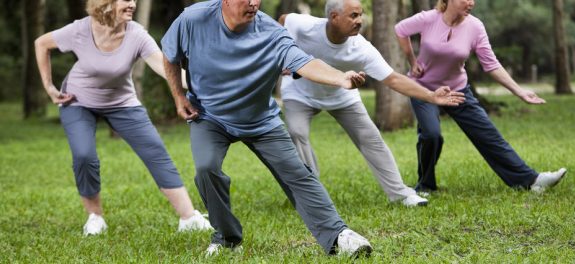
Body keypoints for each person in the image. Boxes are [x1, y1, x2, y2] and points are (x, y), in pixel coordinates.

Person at [161, 0, 381, 257]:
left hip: (260, 120)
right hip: (210, 116)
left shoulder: (272, 33)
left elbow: (304, 62)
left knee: (298, 174)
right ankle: (226, 237)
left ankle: (338, 235)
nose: (255, 3)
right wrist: (178, 96)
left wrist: (339, 78)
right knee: (206, 168)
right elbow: (170, 54)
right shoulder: (193, 19)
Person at [34, 0, 212, 235]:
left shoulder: (136, 34)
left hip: (121, 102)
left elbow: (163, 67)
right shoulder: (81, 29)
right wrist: (49, 87)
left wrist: (208, 82)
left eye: (134, 0)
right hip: (77, 100)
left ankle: (189, 218)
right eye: (126, 0)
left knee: (155, 151)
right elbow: (41, 43)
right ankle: (95, 217)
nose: (132, 4)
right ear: (106, 3)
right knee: (84, 155)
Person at [278, 0, 465, 208]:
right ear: (334, 17)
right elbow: (283, 21)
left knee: (372, 139)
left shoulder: (361, 48)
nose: (360, 21)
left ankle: (401, 194)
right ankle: (310, 194)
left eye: (361, 15)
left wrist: (431, 96)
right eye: (354, 16)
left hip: (342, 95)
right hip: (300, 93)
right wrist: (284, 54)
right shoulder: (305, 25)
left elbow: (393, 79)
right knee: (297, 132)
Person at [394, 0, 567, 195]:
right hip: (423, 89)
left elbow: (491, 65)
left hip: (457, 91)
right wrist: (412, 60)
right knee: (431, 135)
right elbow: (400, 30)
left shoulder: (475, 26)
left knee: (488, 135)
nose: (472, 2)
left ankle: (532, 180)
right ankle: (425, 185)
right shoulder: (428, 19)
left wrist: (519, 91)